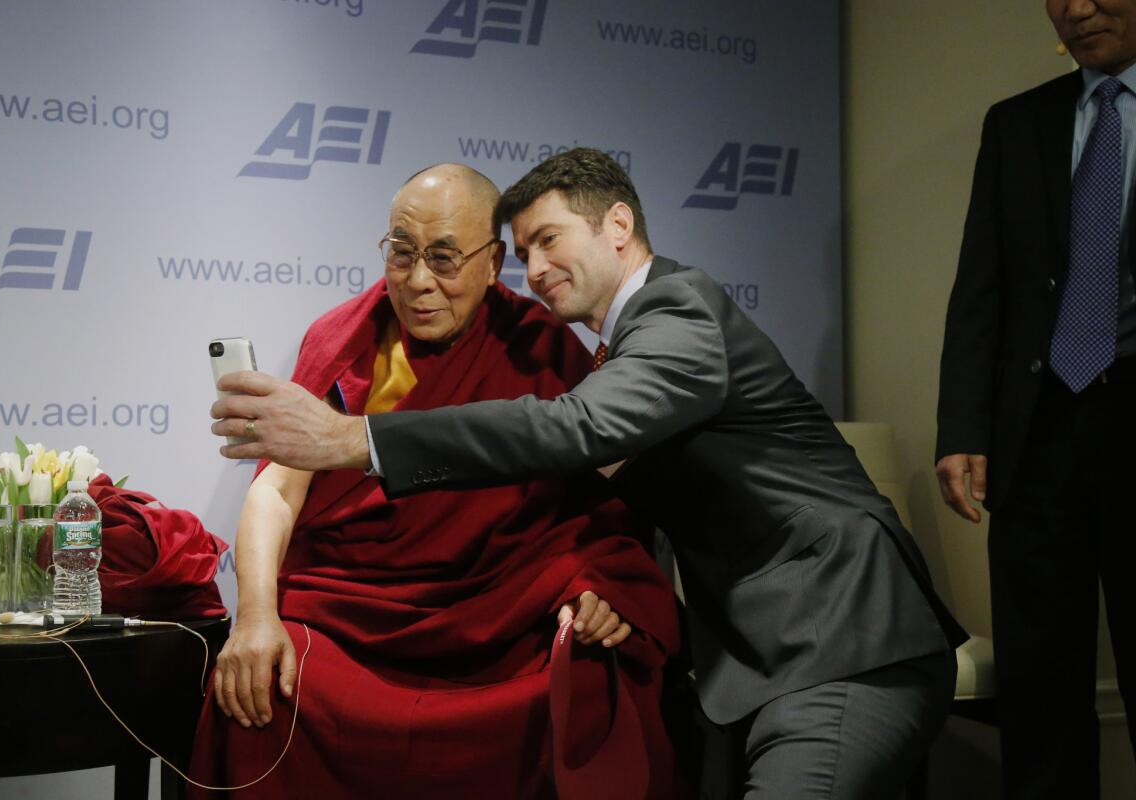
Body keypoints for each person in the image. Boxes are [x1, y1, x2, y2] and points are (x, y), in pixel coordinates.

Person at [213, 149, 968, 799]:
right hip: (755, 660)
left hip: (840, 637)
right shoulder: (607, 351)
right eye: (525, 250)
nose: (536, 269)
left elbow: (571, 434)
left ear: (617, 226)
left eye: (548, 241)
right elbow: (606, 496)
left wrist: (355, 439)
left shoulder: (679, 312)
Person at [192, 164, 680, 799]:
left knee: (590, 683)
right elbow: (277, 489)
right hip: (355, 616)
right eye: (402, 253)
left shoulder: (540, 348)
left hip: (499, 620)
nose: (419, 281)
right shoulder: (344, 340)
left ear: (493, 262)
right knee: (264, 688)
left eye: (445, 258)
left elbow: (595, 513)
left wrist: (595, 587)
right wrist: (255, 618)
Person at [936, 2, 1136, 796]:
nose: (1078, 7)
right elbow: (980, 288)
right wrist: (961, 427)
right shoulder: (1017, 124)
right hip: (1037, 430)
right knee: (1040, 687)